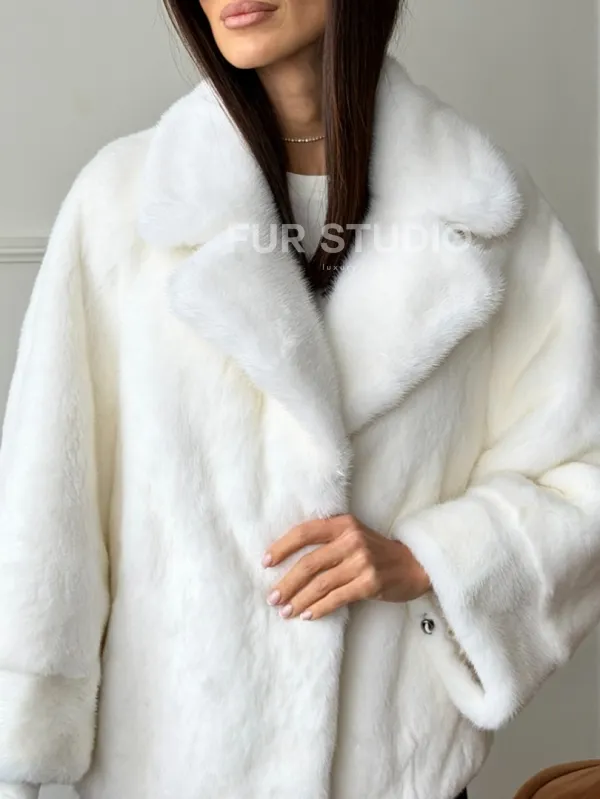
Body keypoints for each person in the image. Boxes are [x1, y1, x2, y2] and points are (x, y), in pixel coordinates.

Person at [1, 1, 599, 798]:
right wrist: (25, 750)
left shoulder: (487, 212)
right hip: (171, 772)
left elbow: (582, 477)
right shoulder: (121, 206)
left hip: (395, 776)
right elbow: (50, 504)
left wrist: (433, 556)